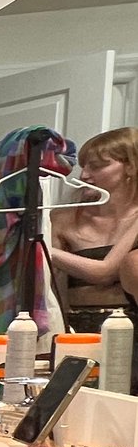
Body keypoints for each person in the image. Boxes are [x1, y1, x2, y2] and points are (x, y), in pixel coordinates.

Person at [51, 126, 138, 324]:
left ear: (131, 167)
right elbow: (51, 292)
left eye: (96, 166)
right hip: (74, 328)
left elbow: (105, 272)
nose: (84, 176)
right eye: (83, 166)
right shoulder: (62, 219)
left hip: (127, 328)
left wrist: (43, 250)